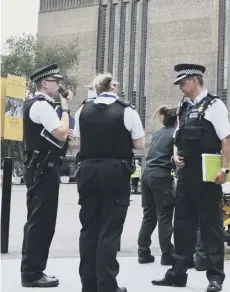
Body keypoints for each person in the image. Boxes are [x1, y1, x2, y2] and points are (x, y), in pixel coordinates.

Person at [152, 64, 230, 292]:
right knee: (183, 225)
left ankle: (215, 278)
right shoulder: (183, 107)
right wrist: (176, 157)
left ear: (195, 80)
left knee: (211, 226)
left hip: (207, 174)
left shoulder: (215, 105)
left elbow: (226, 138)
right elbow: (178, 136)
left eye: (183, 82)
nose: (180, 87)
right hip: (186, 173)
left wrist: (224, 171)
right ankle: (177, 274)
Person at [72, 73, 145, 292]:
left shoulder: (82, 109)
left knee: (89, 229)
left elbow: (77, 143)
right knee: (109, 230)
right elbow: (140, 145)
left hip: (86, 171)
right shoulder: (126, 110)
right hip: (115, 172)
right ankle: (107, 285)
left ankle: (88, 284)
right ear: (114, 88)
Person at [20, 64, 73, 288]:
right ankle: (32, 273)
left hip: (42, 168)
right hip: (42, 169)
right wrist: (66, 108)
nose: (59, 86)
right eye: (56, 82)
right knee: (41, 222)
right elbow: (61, 133)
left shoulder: (40, 105)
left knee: (39, 221)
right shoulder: (41, 105)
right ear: (45, 83)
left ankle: (33, 270)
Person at [137, 106, 177, 265]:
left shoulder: (158, 133)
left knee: (149, 215)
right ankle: (167, 255)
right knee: (165, 217)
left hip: (147, 174)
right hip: (161, 176)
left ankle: (143, 252)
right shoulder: (176, 134)